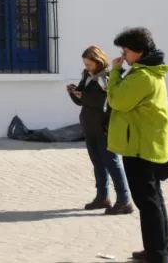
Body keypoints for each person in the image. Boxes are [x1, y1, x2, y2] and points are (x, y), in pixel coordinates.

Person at [106, 27, 168, 263]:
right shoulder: (146, 73)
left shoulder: (143, 76)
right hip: (144, 144)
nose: (123, 54)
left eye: (126, 49)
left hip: (140, 148)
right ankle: (156, 250)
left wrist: (115, 72)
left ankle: (159, 255)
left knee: (149, 203)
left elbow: (117, 100)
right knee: (153, 201)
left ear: (139, 50)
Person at [68, 45, 133, 214]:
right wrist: (74, 93)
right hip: (89, 126)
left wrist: (85, 96)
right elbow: (83, 102)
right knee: (97, 163)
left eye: (89, 64)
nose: (87, 67)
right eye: (85, 64)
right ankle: (102, 197)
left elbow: (106, 102)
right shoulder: (87, 75)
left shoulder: (108, 77)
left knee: (111, 162)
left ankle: (124, 200)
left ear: (98, 61)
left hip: (104, 126)